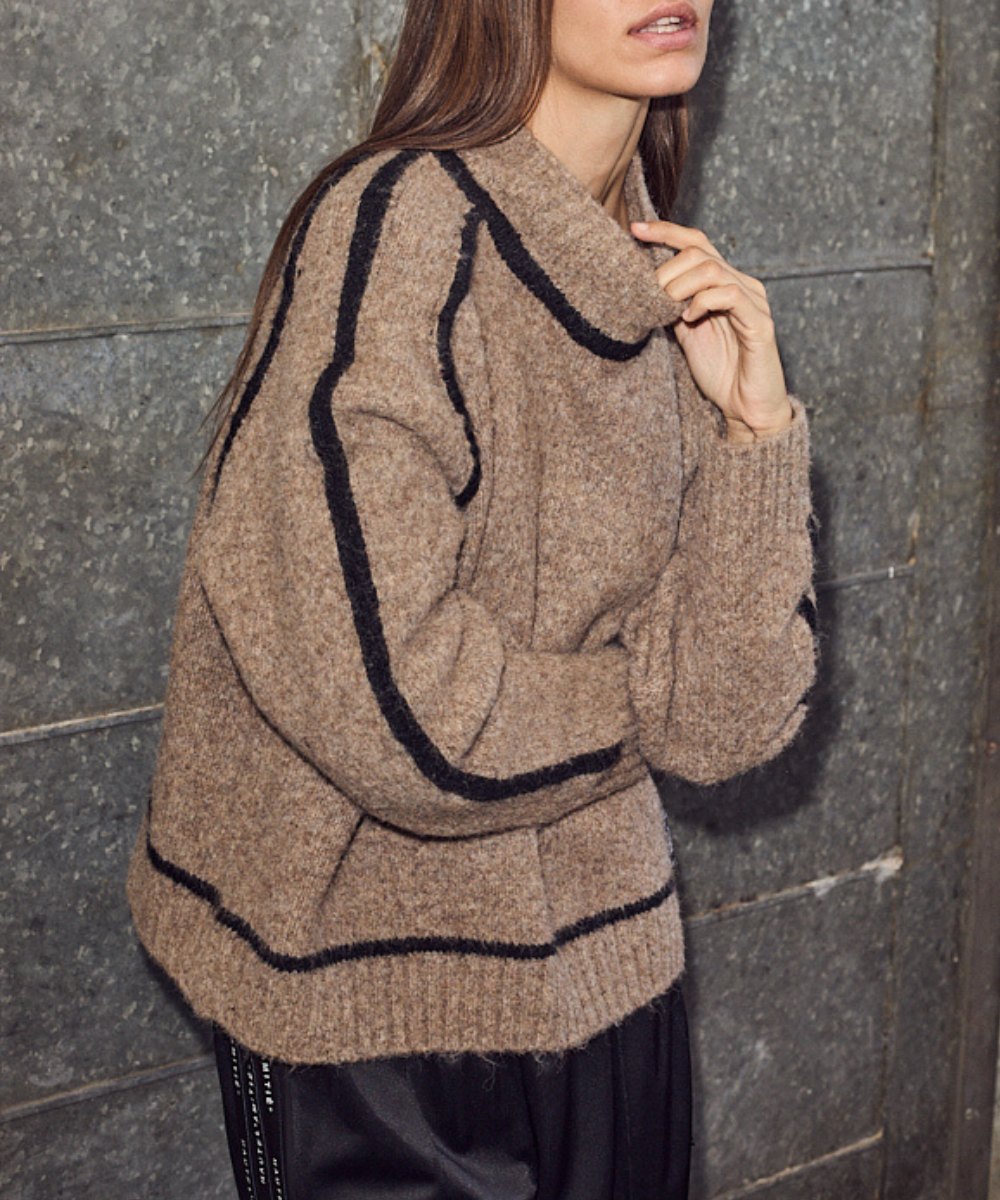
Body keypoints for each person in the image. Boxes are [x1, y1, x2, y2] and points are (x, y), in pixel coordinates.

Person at [127, 0, 817, 1196]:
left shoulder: (662, 274)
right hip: (374, 1019)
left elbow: (728, 725)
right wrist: (654, 701)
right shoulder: (394, 225)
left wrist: (757, 431)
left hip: (616, 978)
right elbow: (405, 710)